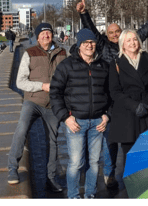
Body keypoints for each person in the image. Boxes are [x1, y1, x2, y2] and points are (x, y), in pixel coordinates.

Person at [75, 0, 148, 188]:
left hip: (135, 105)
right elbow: (93, 30)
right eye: (110, 32)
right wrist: (83, 13)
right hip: (111, 101)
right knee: (111, 141)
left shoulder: (135, 47)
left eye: (116, 32)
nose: (113, 34)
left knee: (142, 145)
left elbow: (146, 28)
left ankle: (144, 180)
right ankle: (110, 174)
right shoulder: (103, 46)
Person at [50, 28, 111, 199]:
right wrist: (65, 117)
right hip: (76, 121)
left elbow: (112, 93)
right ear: (79, 45)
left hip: (98, 122)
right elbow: (55, 93)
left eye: (92, 42)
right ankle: (74, 196)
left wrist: (107, 115)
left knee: (93, 162)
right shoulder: (67, 66)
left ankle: (90, 194)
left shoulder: (103, 66)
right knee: (76, 163)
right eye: (86, 43)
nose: (90, 46)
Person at [8, 23, 66, 193]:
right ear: (37, 36)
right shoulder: (30, 53)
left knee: (52, 141)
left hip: (53, 104)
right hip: (33, 101)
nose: (46, 36)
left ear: (52, 35)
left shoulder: (62, 53)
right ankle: (12, 168)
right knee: (22, 129)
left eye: (48, 33)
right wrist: (42, 86)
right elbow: (20, 82)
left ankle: (50, 177)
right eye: (42, 33)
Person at [108, 29, 148, 165]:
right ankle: (132, 185)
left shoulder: (146, 58)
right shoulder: (116, 63)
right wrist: (134, 106)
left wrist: (147, 104)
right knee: (131, 157)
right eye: (128, 40)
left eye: (135, 39)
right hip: (128, 116)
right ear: (122, 44)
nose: (132, 43)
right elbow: (115, 92)